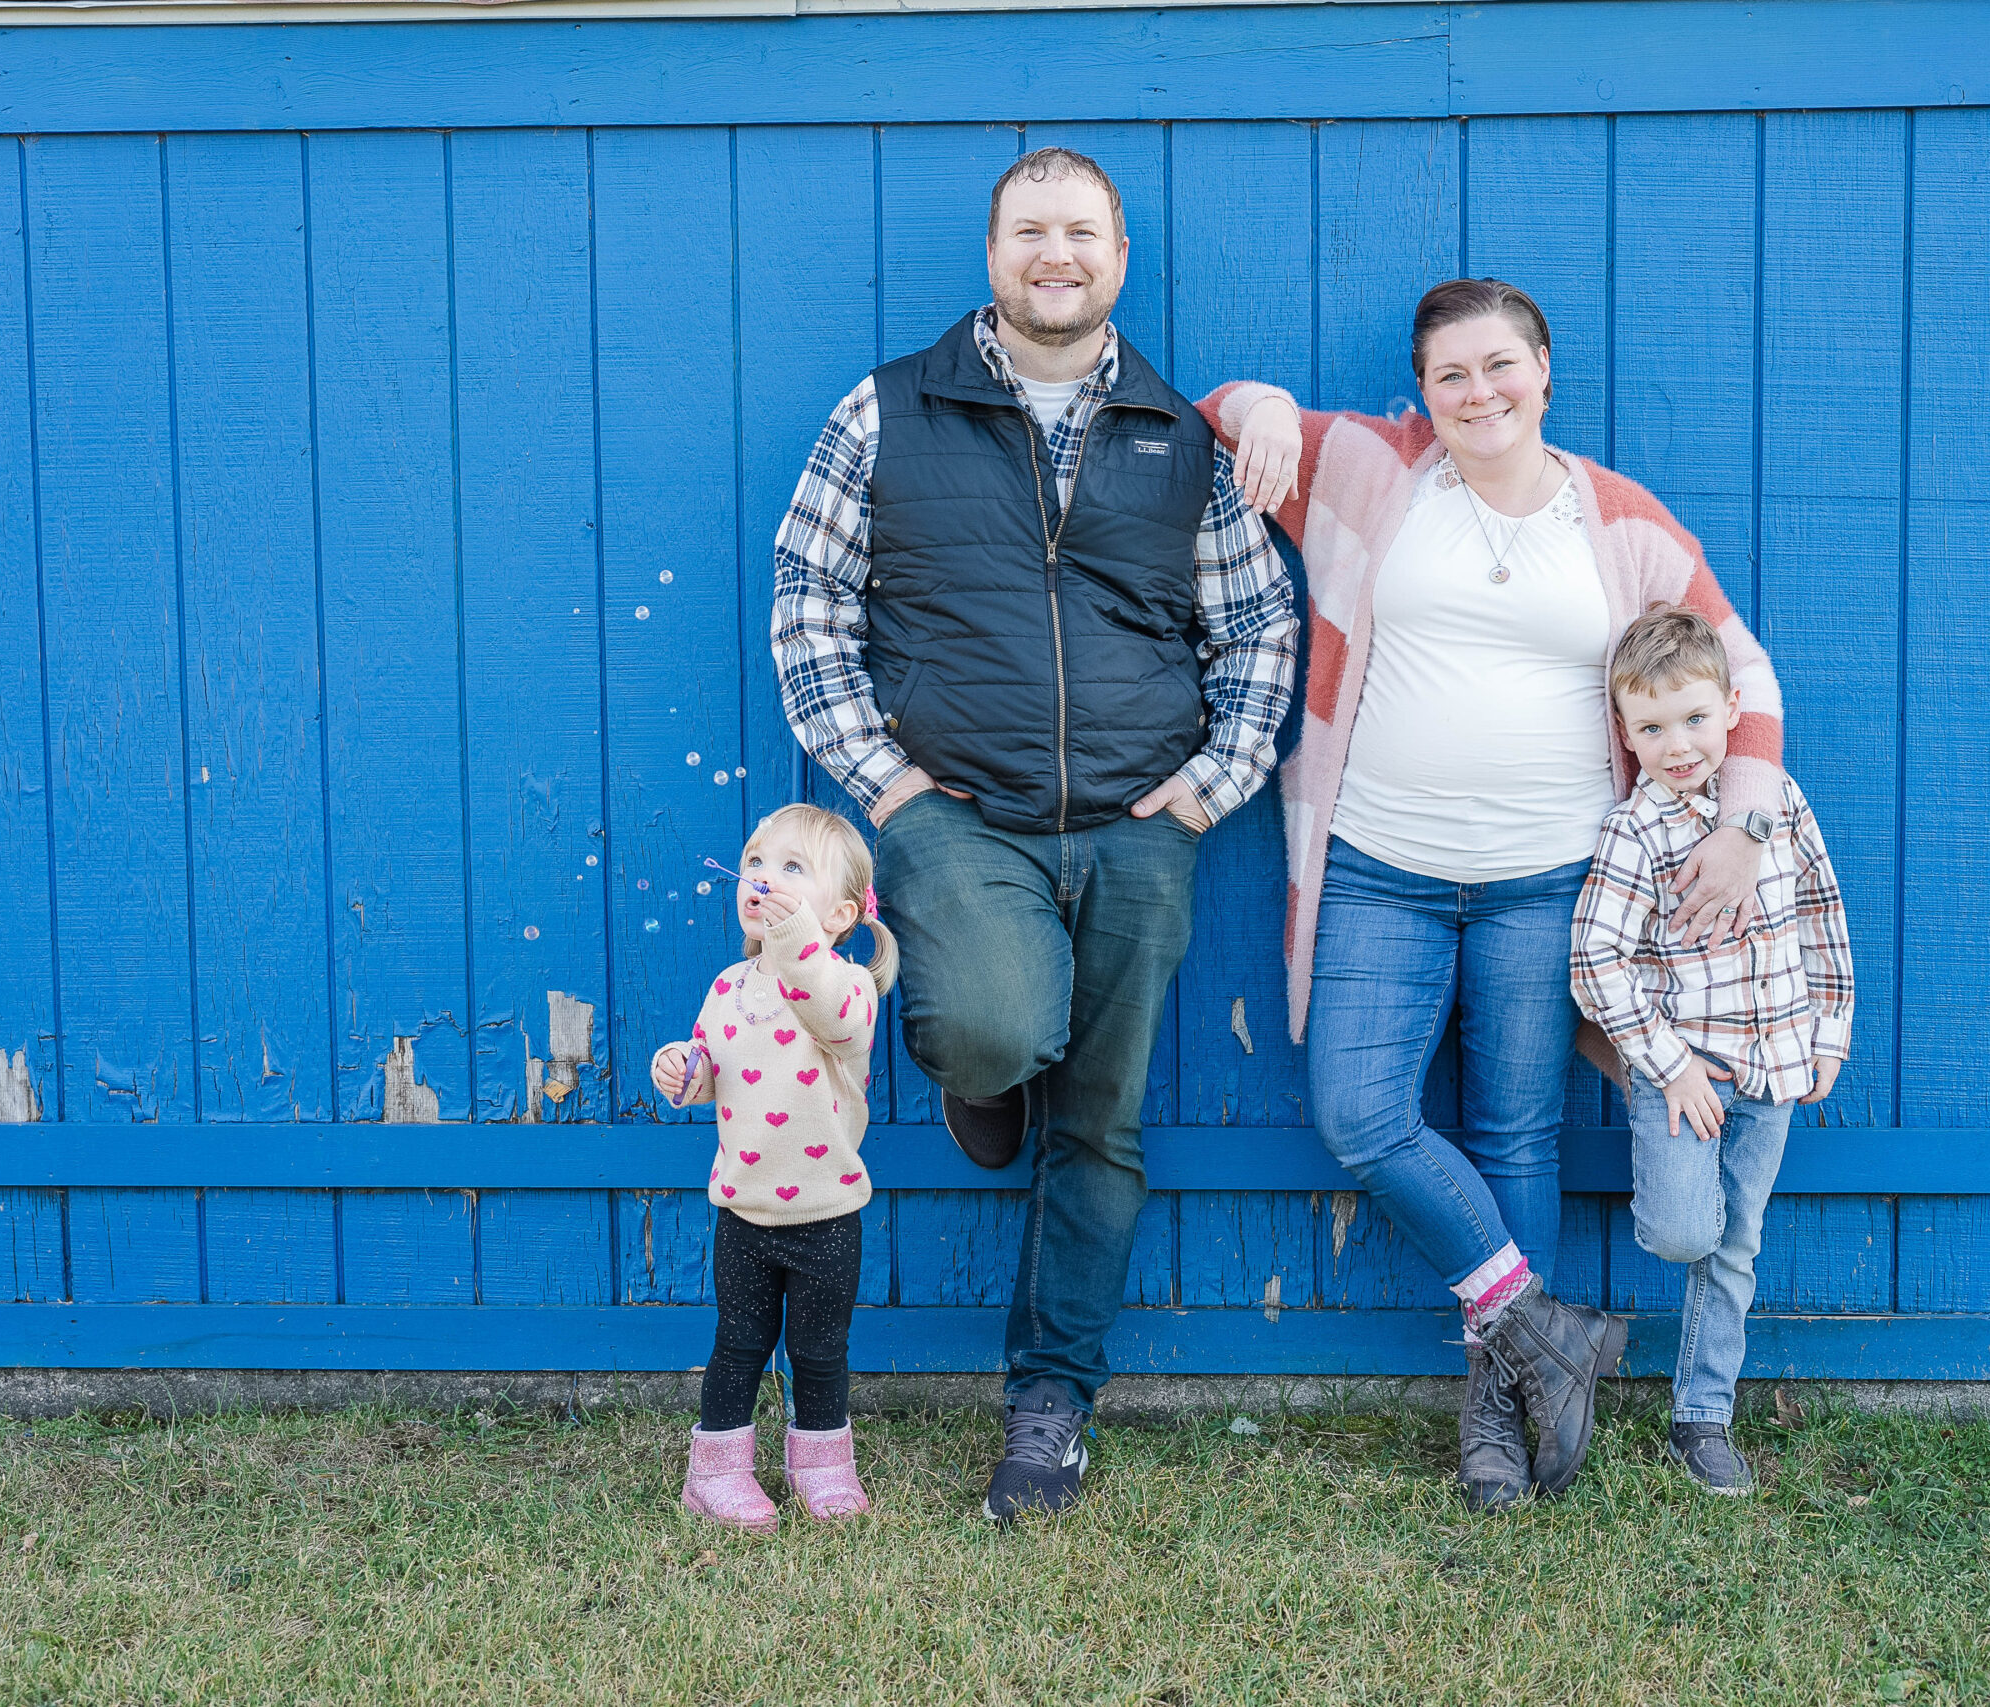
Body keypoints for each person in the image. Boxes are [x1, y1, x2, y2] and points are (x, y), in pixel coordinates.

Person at [771, 148, 1298, 1521]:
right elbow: (808, 602)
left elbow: (1258, 629)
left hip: (1140, 828)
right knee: (999, 1027)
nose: (1054, 253)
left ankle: (1049, 1403)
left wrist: (1207, 785)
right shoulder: (888, 411)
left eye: (1080, 232)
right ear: (993, 251)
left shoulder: (1186, 437)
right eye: (1028, 231)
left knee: (1102, 1124)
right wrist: (888, 789)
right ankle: (983, 1070)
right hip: (957, 813)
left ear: (1118, 256)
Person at [1205, 278, 1792, 1509]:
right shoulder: (1375, 473)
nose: (1478, 394)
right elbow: (1222, 410)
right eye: (1450, 377)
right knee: (1361, 1117)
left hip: (1550, 882)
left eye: (1499, 367)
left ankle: (1497, 1418)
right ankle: (1548, 1336)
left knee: (1517, 1134)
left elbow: (1738, 667)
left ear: (1544, 371)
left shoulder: (1617, 524)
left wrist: (1742, 825)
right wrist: (1256, 403)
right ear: (1421, 393)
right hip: (1378, 868)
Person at [1572, 605, 1853, 1495]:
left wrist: (1829, 1031)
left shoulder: (1775, 803)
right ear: (1625, 732)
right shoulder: (1636, 830)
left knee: (1739, 1244)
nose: (1678, 744)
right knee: (1686, 1230)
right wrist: (1668, 1064)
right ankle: (1667, 1190)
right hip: (1683, 1075)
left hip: (1772, 1065)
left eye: (1694, 718)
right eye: (1652, 727)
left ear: (1733, 708)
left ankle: (1703, 1414)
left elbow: (1821, 914)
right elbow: (1593, 959)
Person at [651, 804, 899, 1533]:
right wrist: (681, 1069)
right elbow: (709, 1068)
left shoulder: (849, 986)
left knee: (819, 1351)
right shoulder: (729, 986)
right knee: (738, 1344)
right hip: (744, 1213)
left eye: (793, 868)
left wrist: (795, 941)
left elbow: (828, 1013)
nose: (763, 877)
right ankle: (715, 1475)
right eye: (756, 862)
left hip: (826, 1216)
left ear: (843, 911)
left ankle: (821, 1466)